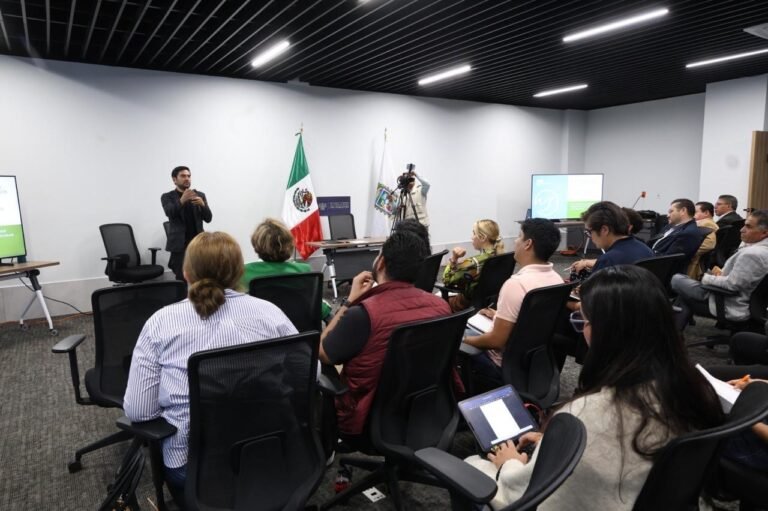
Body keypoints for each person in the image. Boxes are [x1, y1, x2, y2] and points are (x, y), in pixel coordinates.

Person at [465, 265, 723, 510]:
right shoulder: (695, 388)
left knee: (473, 466)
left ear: (606, 332)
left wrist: (509, 464)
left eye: (584, 322)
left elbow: (524, 491)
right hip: (647, 496)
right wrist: (551, 444)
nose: (583, 331)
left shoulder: (585, 414)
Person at [123, 232, 297, 501]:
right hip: (272, 451)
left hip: (194, 467)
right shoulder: (270, 313)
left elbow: (140, 412)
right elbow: (309, 375)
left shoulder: (160, 323)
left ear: (185, 272)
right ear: (239, 272)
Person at [318, 230, 450, 440]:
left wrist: (349, 301)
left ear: (381, 263)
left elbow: (323, 352)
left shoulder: (363, 314)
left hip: (367, 420)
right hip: (424, 409)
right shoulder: (441, 306)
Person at [463, 219, 563, 386]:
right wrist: (499, 315)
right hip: (532, 364)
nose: (515, 241)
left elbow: (496, 341)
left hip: (501, 366)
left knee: (458, 340)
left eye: (519, 236)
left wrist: (464, 340)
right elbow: (532, 320)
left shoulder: (516, 284)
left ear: (528, 244)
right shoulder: (556, 279)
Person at [672, 210, 768, 328]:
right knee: (684, 290)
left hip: (728, 302)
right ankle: (673, 335)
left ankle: (671, 334)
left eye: (748, 226)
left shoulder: (753, 254)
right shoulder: (760, 250)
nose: (741, 229)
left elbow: (732, 285)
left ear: (764, 233)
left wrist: (705, 278)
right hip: (747, 302)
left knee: (677, 279)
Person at [241, 218, 332, 320]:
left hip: (262, 331)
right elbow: (321, 309)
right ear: (289, 244)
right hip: (300, 331)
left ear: (256, 245)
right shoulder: (303, 271)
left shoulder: (243, 272)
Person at [568, 202, 653, 276]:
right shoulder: (646, 250)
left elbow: (594, 294)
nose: (590, 237)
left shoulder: (608, 261)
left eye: (589, 232)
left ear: (604, 230)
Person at [161, 166, 212, 281]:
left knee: (202, 274)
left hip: (198, 243)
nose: (187, 178)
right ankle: (183, 298)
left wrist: (202, 205)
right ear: (174, 179)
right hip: (180, 245)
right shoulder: (167, 197)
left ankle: (199, 297)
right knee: (181, 277)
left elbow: (208, 218)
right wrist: (182, 200)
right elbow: (170, 212)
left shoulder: (200, 195)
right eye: (183, 176)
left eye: (189, 176)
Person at [443, 219, 504, 312]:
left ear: (483, 238)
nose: (472, 237)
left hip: (466, 305)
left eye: (474, 233)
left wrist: (454, 258)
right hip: (490, 304)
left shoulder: (474, 263)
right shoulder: (502, 256)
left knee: (434, 302)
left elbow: (446, 280)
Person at [686, 201, 719, 280]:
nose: (693, 215)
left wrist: (686, 251)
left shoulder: (706, 223)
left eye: (696, 212)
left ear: (706, 213)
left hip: (693, 263)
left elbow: (708, 245)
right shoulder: (704, 223)